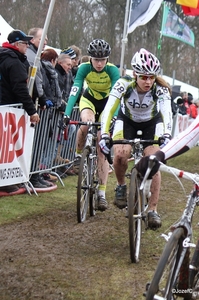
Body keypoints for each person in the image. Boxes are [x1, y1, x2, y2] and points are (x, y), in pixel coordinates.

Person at [99, 48, 173, 228]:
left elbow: (166, 113)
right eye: (144, 77)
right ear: (135, 75)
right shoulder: (124, 84)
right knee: (120, 155)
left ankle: (153, 210)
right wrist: (103, 134)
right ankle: (121, 185)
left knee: (154, 162)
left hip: (151, 124)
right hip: (127, 122)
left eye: (151, 77)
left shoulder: (160, 89)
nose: (148, 82)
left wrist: (167, 134)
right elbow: (109, 109)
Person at [64, 39, 120, 211]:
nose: (99, 63)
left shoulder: (112, 70)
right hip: (89, 99)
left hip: (107, 103)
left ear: (107, 59)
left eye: (103, 59)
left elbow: (118, 96)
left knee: (101, 143)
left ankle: (102, 194)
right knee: (86, 123)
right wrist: (67, 113)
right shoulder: (84, 68)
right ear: (90, 59)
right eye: (96, 59)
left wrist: (113, 118)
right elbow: (76, 88)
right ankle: (78, 156)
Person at [0, 29, 40, 193]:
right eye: (25, 43)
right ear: (17, 44)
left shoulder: (11, 58)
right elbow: (20, 88)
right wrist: (32, 111)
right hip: (8, 107)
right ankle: (5, 180)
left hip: (8, 108)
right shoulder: (13, 61)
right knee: (5, 146)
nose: (27, 46)